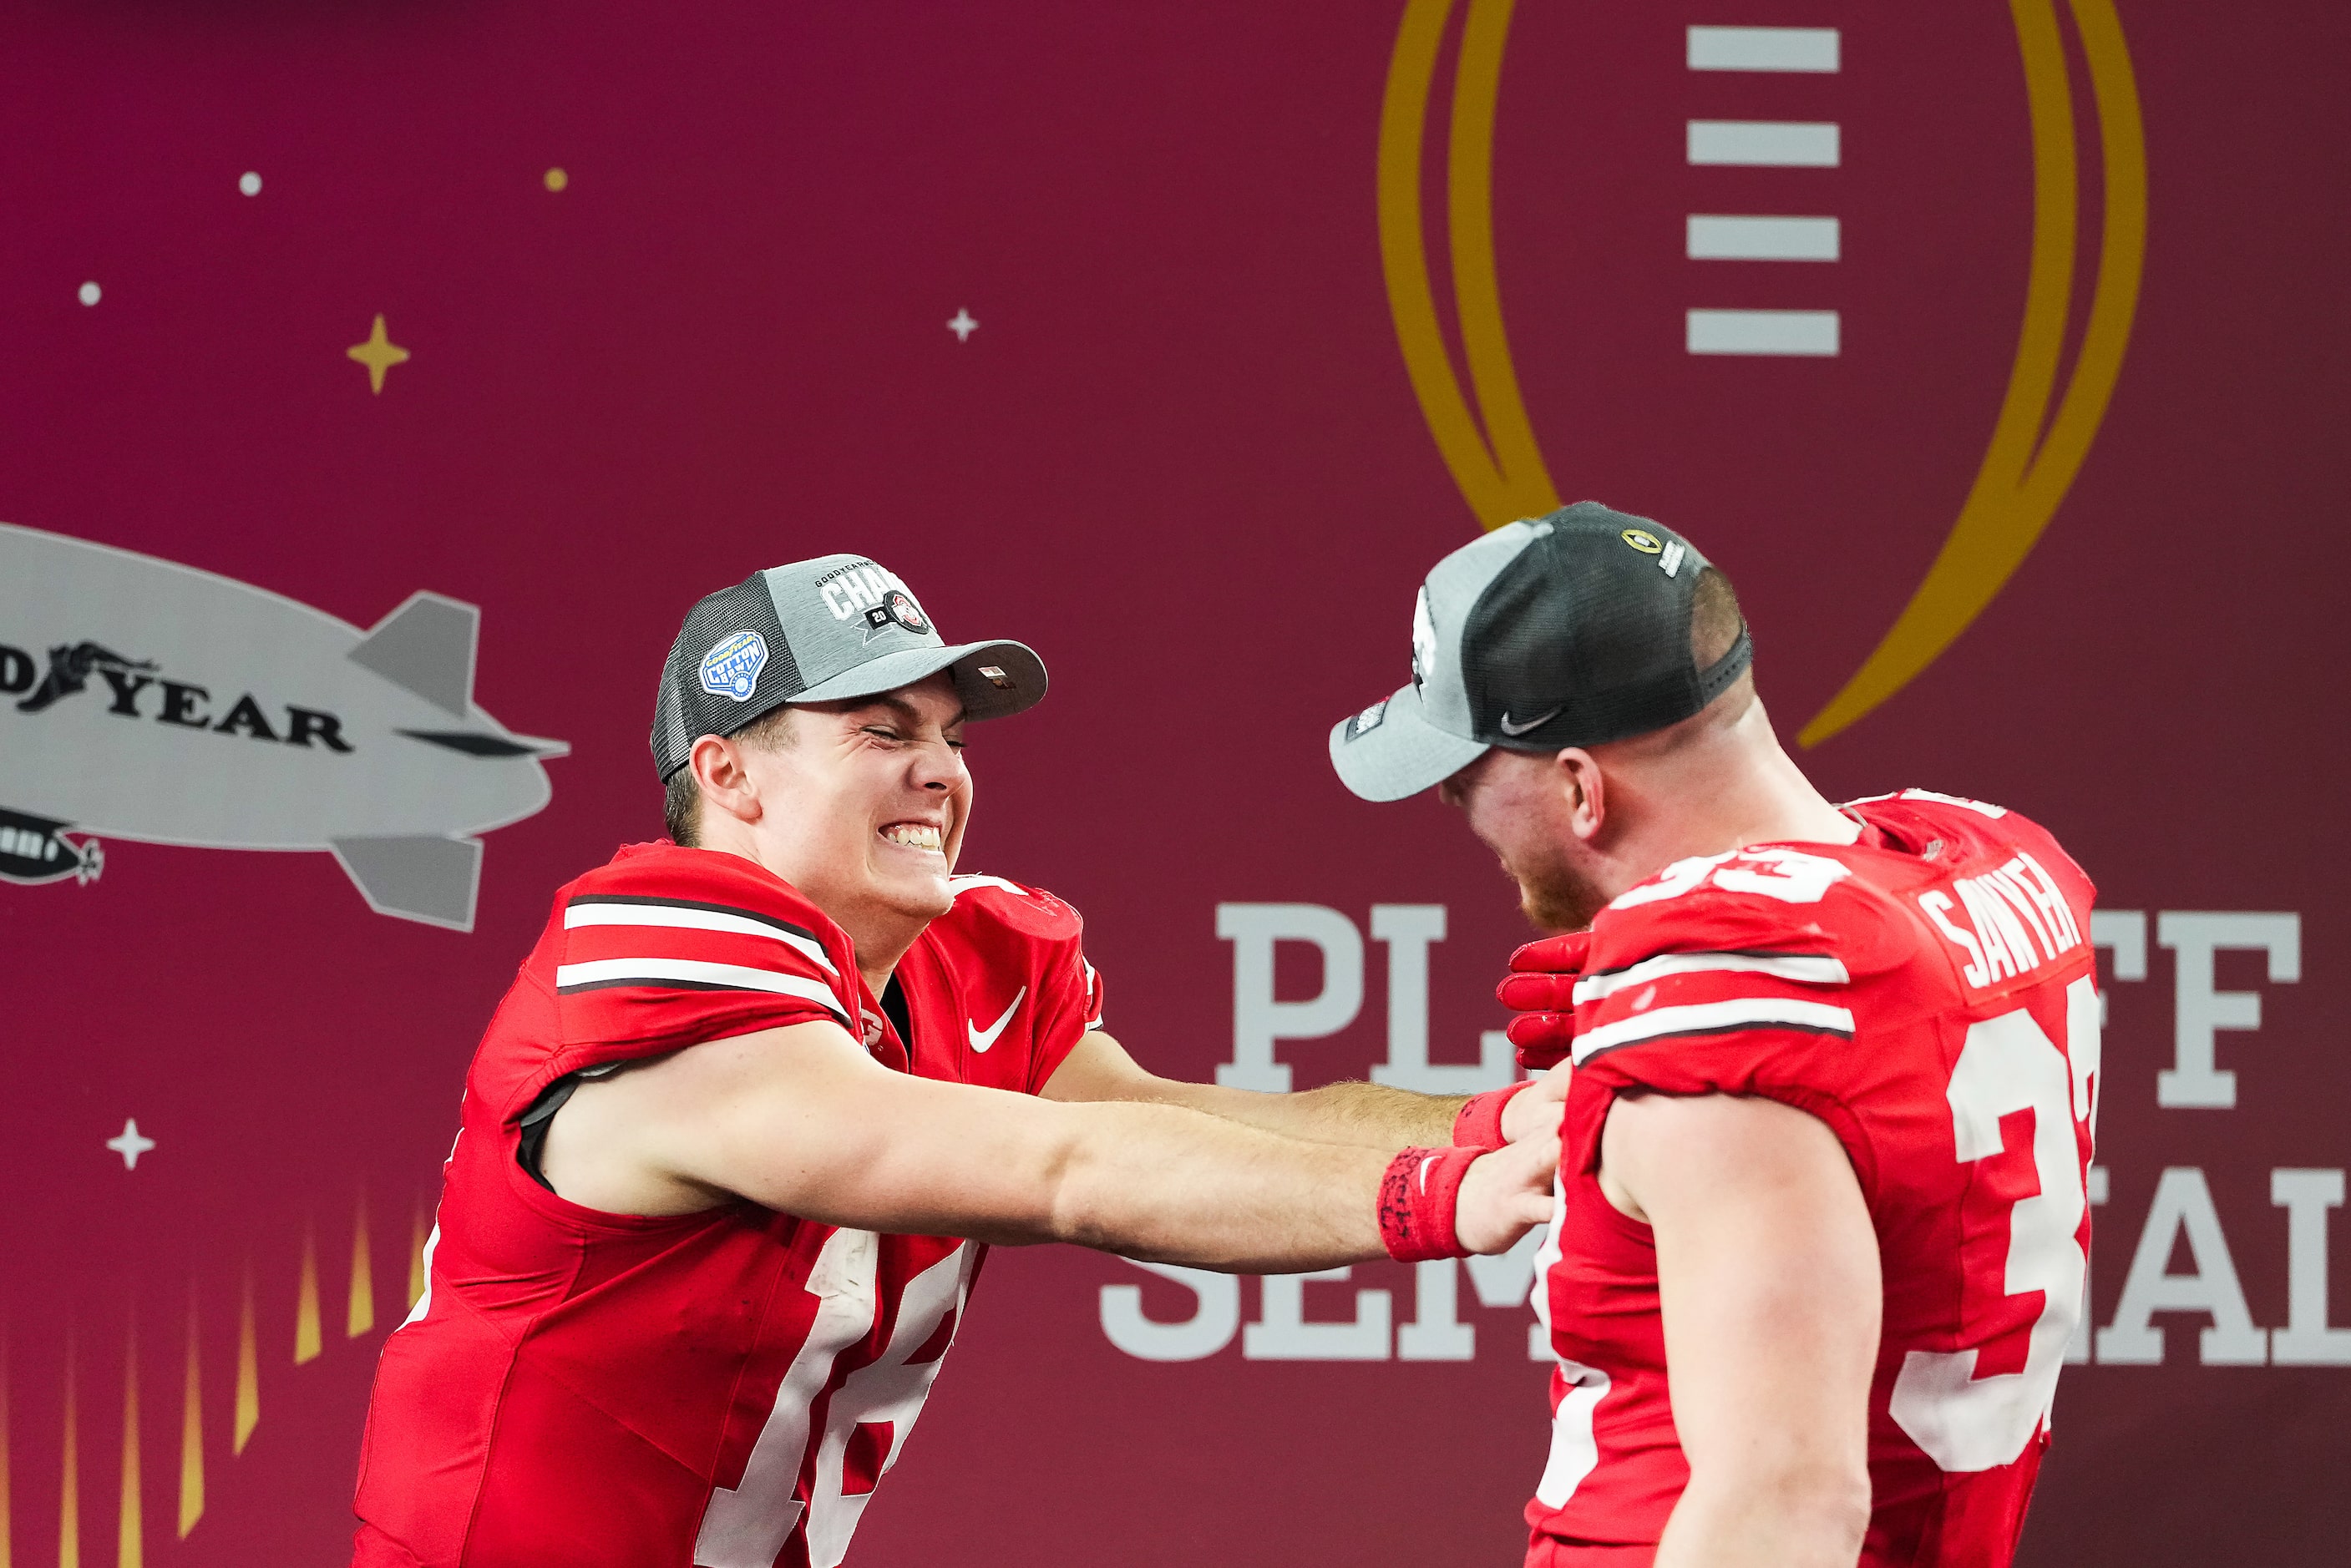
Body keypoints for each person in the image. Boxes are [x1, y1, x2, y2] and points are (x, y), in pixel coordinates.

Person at [352, 553, 1562, 1568]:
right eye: (880, 733)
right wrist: (1446, 1194)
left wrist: (1512, 1123)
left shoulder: (961, 956)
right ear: (726, 773)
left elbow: (1157, 1115)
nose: (940, 770)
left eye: (945, 734)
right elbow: (1067, 1173)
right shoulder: (654, 969)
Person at [1329, 502, 2099, 1568]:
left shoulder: (1718, 988)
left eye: (1465, 783)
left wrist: (1671, 1008)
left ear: (1578, 788)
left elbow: (1784, 1505)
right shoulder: (1983, 861)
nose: (1462, 817)